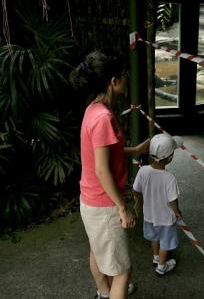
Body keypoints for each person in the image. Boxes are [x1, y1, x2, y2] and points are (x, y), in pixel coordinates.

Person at [70, 49, 149, 299]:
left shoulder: (93, 109)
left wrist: (133, 150)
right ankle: (111, 290)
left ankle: (104, 292)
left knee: (97, 251)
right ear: (113, 81)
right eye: (124, 75)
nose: (127, 79)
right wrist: (122, 207)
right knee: (123, 270)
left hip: (90, 200)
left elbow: (102, 153)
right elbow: (102, 169)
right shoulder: (104, 117)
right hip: (104, 206)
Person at [132, 133, 183, 276]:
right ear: (169, 158)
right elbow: (173, 200)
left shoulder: (143, 171)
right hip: (165, 219)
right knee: (165, 242)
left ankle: (156, 257)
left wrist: (140, 200)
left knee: (154, 238)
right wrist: (177, 211)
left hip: (149, 216)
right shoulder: (169, 178)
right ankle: (161, 266)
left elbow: (135, 191)